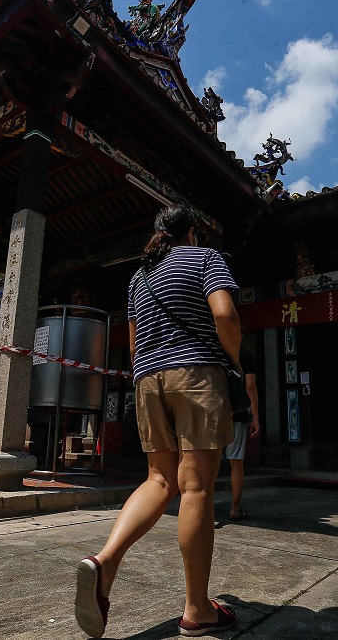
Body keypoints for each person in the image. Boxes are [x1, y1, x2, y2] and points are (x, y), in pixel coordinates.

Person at [75, 205, 241, 638]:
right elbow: (224, 314)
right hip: (197, 371)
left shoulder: (137, 278)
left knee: (159, 480)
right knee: (196, 486)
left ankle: (105, 559)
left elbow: (133, 345)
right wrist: (234, 361)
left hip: (148, 377)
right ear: (191, 231)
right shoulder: (205, 258)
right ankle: (197, 608)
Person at [226, 345, 260, 520]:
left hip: (210, 412)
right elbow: (250, 386)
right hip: (237, 414)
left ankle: (201, 508)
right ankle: (235, 508)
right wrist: (255, 417)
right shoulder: (244, 354)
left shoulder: (211, 349)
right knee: (236, 462)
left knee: (206, 463)